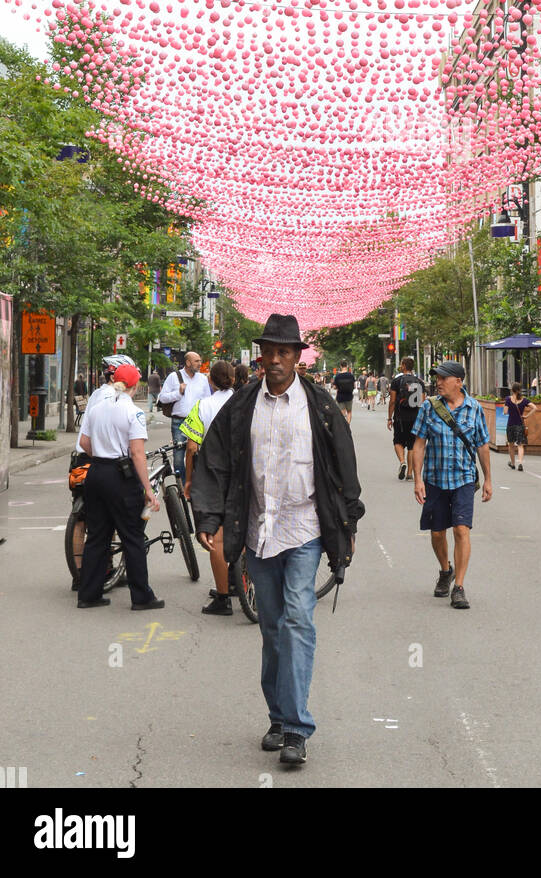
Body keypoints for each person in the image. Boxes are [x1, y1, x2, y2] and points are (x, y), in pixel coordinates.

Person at [192, 314, 364, 767]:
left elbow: (344, 466)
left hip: (305, 528)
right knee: (271, 628)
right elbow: (214, 461)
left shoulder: (320, 406)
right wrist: (208, 515)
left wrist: (348, 524)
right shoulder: (242, 404)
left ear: (297, 357)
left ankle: (297, 728)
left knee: (297, 620)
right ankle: (277, 715)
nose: (274, 360)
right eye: (268, 352)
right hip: (257, 532)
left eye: (283, 352)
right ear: (260, 356)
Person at [76, 363, 164, 610]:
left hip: (97, 473)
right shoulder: (133, 413)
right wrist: (147, 489)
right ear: (134, 386)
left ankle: (89, 594)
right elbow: (137, 453)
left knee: (97, 536)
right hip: (120, 477)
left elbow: (84, 442)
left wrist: (102, 457)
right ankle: (142, 596)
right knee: (132, 536)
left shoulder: (98, 408)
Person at [411, 360, 492, 611]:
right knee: (437, 533)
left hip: (464, 479)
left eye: (443, 378)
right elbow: (419, 444)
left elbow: (482, 444)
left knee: (460, 530)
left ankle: (458, 586)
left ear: (458, 381)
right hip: (435, 479)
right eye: (437, 377)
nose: (438, 382)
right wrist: (417, 479)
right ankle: (445, 570)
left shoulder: (474, 408)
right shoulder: (429, 407)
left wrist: (488, 478)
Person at [182, 359, 236, 616]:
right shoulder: (244, 404)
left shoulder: (203, 406)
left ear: (210, 381)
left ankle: (223, 596)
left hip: (212, 474)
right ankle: (241, 578)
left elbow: (192, 447)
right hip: (240, 473)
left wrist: (190, 479)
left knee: (215, 535)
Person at [158, 352, 211, 482]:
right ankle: (181, 486)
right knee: (178, 456)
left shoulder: (202, 379)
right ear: (188, 363)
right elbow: (162, 398)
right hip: (179, 422)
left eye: (200, 360)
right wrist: (178, 393)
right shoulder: (173, 377)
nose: (200, 364)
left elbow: (207, 400)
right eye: (197, 361)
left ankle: (193, 484)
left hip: (197, 423)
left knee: (195, 454)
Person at [388, 357, 425, 481]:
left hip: (400, 417)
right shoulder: (420, 382)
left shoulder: (396, 381)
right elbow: (423, 402)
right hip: (415, 418)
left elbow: (392, 401)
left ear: (403, 366)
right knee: (412, 445)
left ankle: (402, 461)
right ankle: (409, 473)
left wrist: (389, 418)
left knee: (397, 441)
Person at [504, 382, 534, 471]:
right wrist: (526, 416)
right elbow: (535, 407)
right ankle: (520, 462)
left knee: (511, 444)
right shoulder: (524, 400)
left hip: (511, 424)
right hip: (520, 425)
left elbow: (505, 412)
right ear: (520, 390)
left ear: (512, 390)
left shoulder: (508, 399)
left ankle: (513, 463)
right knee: (520, 445)